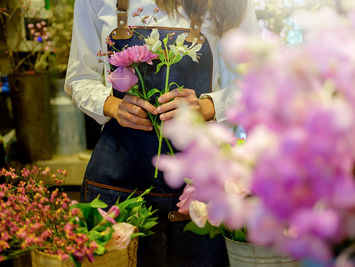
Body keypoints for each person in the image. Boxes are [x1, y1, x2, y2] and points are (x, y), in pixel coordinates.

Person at [65, 0, 258, 266]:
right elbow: (79, 77)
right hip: (118, 179)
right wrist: (112, 105)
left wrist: (207, 106)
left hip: (198, 188)